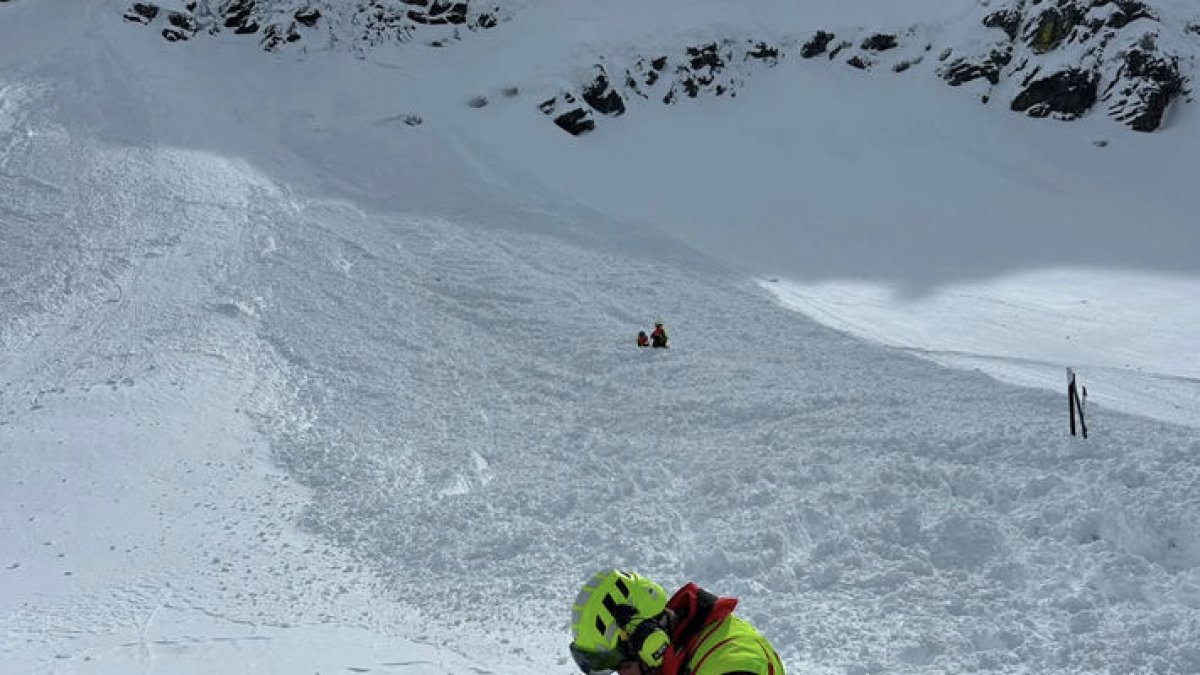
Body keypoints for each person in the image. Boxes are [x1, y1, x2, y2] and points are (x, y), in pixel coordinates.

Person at [569, 569, 784, 675]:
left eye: (623, 665)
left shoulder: (729, 662)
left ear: (649, 640)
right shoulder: (685, 652)